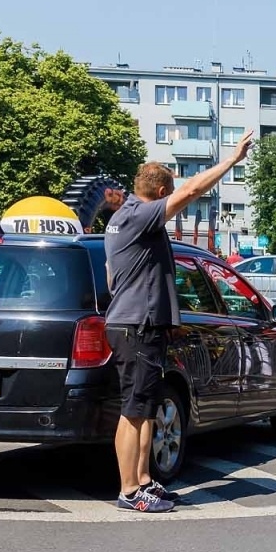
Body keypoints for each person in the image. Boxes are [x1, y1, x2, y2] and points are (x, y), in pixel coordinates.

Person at [105, 134, 254, 512]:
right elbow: (191, 189)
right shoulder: (141, 214)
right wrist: (231, 160)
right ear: (158, 191)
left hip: (138, 322)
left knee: (145, 408)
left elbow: (110, 275)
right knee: (134, 409)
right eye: (168, 197)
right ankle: (129, 491)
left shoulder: (121, 218)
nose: (174, 208)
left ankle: (142, 481)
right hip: (137, 325)